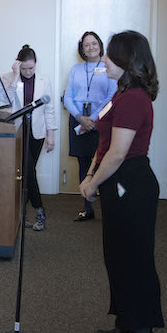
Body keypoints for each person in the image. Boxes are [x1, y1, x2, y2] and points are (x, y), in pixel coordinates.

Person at [78, 30, 161, 333]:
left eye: (110, 55)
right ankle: (126, 323)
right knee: (118, 256)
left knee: (135, 257)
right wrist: (88, 177)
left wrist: (94, 183)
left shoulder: (134, 98)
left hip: (131, 183)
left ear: (126, 61)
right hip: (118, 182)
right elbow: (104, 141)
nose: (104, 60)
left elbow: (118, 154)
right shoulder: (121, 93)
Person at [2, 45, 57, 231]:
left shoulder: (43, 80)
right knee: (27, 170)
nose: (28, 72)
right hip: (17, 130)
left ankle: (20, 214)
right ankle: (39, 209)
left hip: (37, 132)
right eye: (24, 68)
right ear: (17, 65)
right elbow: (6, 104)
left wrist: (51, 135)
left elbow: (49, 108)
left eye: (31, 68)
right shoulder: (8, 78)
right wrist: (15, 76)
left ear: (36, 65)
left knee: (27, 171)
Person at [64, 31, 117, 222]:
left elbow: (111, 96)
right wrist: (80, 117)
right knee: (83, 164)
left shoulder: (108, 67)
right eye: (87, 45)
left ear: (100, 45)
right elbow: (68, 96)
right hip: (78, 121)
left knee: (104, 163)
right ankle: (87, 208)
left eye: (94, 43)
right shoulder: (76, 69)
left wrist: (92, 119)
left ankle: (109, 207)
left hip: (100, 121)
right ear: (82, 49)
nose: (91, 47)